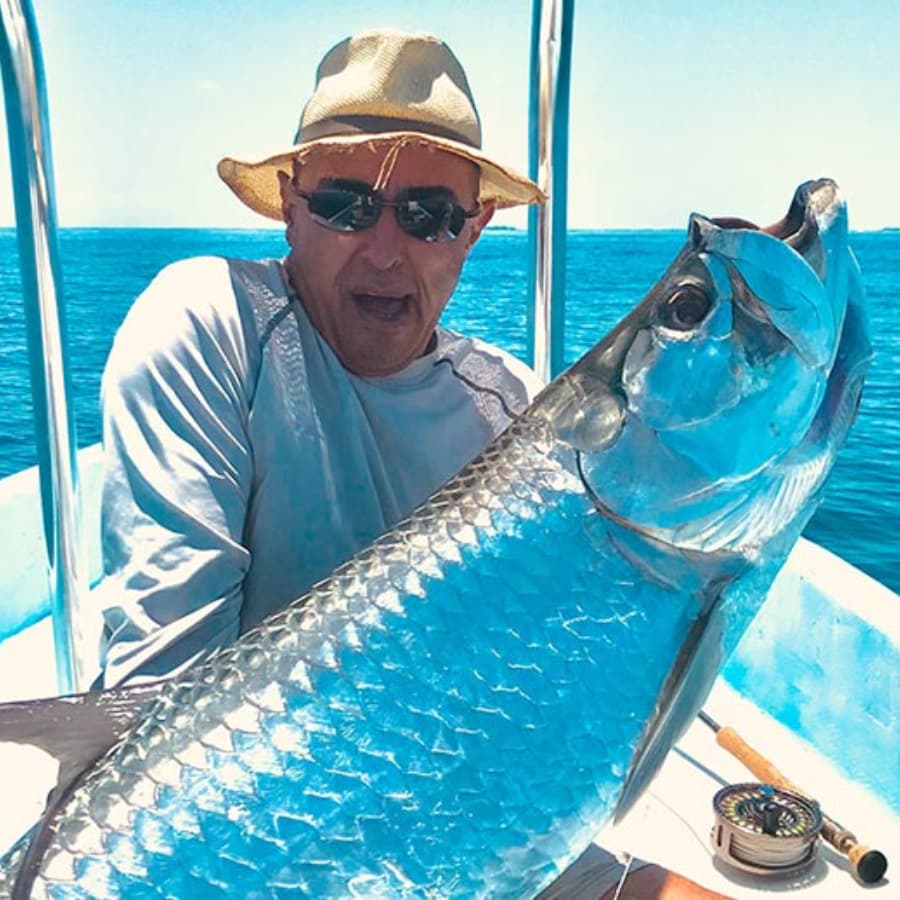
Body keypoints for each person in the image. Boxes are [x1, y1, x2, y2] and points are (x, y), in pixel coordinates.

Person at [94, 27, 728, 900]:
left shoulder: (516, 419)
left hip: (457, 819)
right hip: (222, 836)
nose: (386, 250)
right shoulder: (214, 325)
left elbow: (532, 732)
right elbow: (158, 710)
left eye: (428, 215)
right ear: (289, 205)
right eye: (346, 205)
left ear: (477, 227)